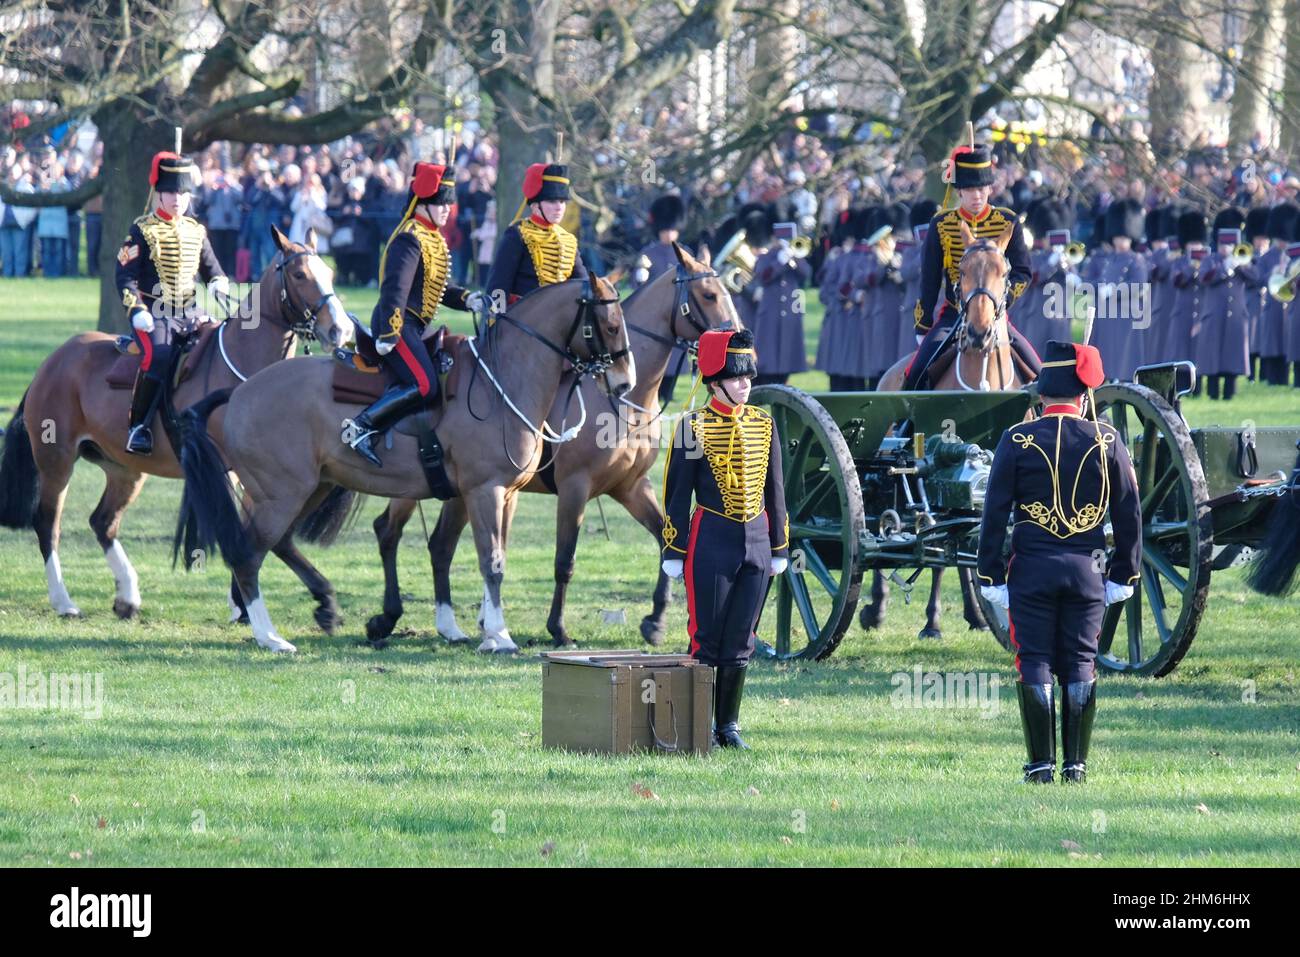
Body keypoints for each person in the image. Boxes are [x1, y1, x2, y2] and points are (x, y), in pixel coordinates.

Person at [976, 340, 1142, 783]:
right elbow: (1129, 513)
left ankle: (1040, 766)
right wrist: (1124, 573)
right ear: (1083, 395)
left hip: (1030, 569)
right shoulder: (1108, 439)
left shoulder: (1016, 439)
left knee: (1033, 659)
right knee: (1081, 661)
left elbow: (994, 512)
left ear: (1043, 394)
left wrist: (991, 572)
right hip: (1088, 572)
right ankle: (1076, 767)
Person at [659, 328, 788, 750]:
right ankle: (700, 727)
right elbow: (677, 494)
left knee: (741, 637)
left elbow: (776, 491)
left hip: (756, 538)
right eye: (737, 379)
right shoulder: (692, 428)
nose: (745, 385)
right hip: (711, 538)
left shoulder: (764, 426)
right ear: (716, 382)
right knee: (707, 636)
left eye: (748, 378)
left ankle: (727, 726)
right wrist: (674, 549)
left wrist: (779, 545)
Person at [343, 162, 485, 467]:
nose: (447, 209)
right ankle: (361, 427)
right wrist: (390, 334)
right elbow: (395, 291)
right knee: (424, 384)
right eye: (440, 203)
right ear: (422, 202)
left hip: (418, 326)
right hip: (398, 325)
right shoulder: (410, 237)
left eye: (449, 203)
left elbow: (437, 288)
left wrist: (467, 299)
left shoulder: (432, 237)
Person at [115, 152, 228, 455]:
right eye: (171, 192)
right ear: (158, 193)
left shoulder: (196, 230)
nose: (178, 198)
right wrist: (136, 309)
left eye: (183, 192)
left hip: (192, 313)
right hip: (155, 314)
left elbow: (211, 268)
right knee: (159, 357)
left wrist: (218, 283)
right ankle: (138, 426)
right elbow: (125, 277)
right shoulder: (142, 230)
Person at [904, 144, 1037, 389]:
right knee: (915, 373)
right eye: (969, 189)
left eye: (981, 189)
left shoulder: (1007, 221)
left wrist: (998, 301)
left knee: (1039, 374)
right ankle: (904, 425)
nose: (976, 195)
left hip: (996, 315)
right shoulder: (942, 224)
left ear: (989, 188)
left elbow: (1023, 273)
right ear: (959, 191)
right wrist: (923, 325)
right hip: (954, 315)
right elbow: (930, 279)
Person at [483, 162, 588, 309]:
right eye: (552, 201)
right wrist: (495, 318)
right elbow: (499, 283)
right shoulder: (518, 234)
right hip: (524, 318)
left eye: (562, 201)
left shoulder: (568, 240)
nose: (559, 207)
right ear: (535, 206)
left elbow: (582, 282)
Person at [1195, 209, 1256, 401]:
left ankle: (1230, 393)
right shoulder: (1209, 260)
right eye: (1224, 244)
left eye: (1230, 244)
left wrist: (1239, 265)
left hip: (1236, 315)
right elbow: (1204, 278)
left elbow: (1256, 278)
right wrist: (1224, 267)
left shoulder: (1242, 261)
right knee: (1212, 358)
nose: (1227, 248)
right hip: (1214, 314)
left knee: (1232, 356)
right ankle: (1212, 393)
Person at [750, 203, 810, 385]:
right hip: (771, 311)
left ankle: (783, 381)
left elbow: (806, 274)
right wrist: (780, 261)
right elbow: (764, 276)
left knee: (787, 356)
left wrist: (794, 258)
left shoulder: (796, 256)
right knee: (767, 356)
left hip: (790, 311)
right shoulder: (766, 257)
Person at [1091, 198, 1150, 381]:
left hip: (1126, 315)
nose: (1120, 241)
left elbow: (1139, 285)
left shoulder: (1136, 259)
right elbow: (1096, 281)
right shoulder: (1108, 259)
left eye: (1124, 237)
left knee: (1124, 357)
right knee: (1106, 354)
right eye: (1118, 237)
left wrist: (1113, 291)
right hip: (1106, 315)